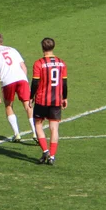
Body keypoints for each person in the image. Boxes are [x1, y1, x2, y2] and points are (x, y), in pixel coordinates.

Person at [0, 32, 35, 141]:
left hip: (7, 82)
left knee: (8, 106)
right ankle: (35, 132)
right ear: (2, 41)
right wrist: (25, 80)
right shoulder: (12, 50)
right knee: (28, 105)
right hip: (21, 78)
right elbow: (23, 66)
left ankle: (17, 134)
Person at [31, 38, 67, 166]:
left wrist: (31, 96)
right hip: (56, 99)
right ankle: (52, 156)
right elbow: (64, 82)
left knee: (38, 124)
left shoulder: (39, 63)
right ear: (53, 47)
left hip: (41, 99)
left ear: (42, 48)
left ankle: (45, 150)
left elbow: (35, 82)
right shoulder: (61, 63)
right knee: (54, 128)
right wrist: (65, 97)